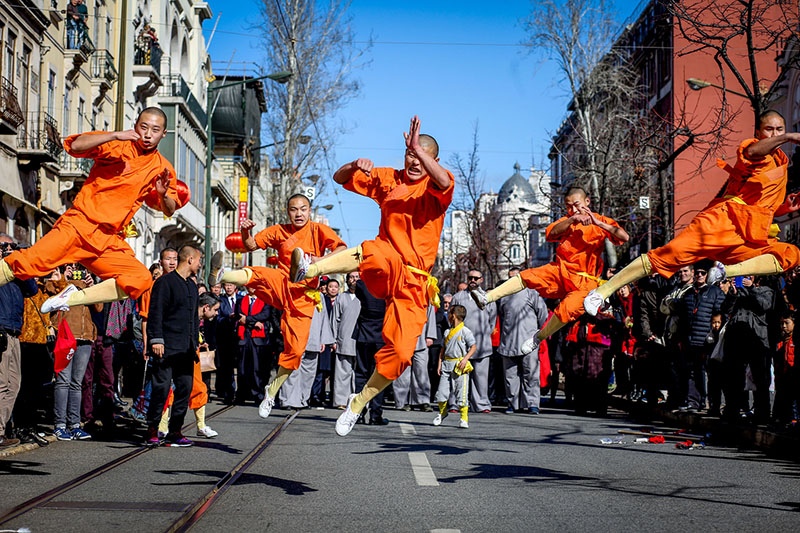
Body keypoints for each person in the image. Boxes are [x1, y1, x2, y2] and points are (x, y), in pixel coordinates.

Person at [291, 116, 454, 436]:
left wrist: (420, 151)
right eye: (409, 155)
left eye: (421, 156)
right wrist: (354, 165)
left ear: (432, 159)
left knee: (401, 355)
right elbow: (340, 178)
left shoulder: (437, 187)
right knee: (377, 250)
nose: (414, 162)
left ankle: (358, 402)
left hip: (415, 284)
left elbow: (444, 182)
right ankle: (311, 267)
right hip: (386, 266)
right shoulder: (390, 179)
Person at [584, 110, 800, 316]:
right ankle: (601, 292)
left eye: (779, 130)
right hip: (720, 223)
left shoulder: (781, 161)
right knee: (665, 257)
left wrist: (783, 208)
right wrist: (788, 136)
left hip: (746, 235)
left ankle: (724, 271)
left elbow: (756, 203)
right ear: (758, 133)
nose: (775, 134)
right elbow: (753, 152)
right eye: (769, 129)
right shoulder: (754, 149)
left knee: (790, 254)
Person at [0, 108, 180, 319]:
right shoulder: (119, 144)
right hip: (78, 225)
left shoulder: (162, 168)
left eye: (155, 130)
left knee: (140, 279)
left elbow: (169, 209)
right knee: (27, 262)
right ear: (135, 126)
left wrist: (162, 194)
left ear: (164, 133)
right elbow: (74, 146)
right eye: (144, 127)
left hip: (107, 239)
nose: (148, 134)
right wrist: (114, 134)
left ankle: (70, 298)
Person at [216, 194, 346, 417]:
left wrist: (320, 261)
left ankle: (271, 392)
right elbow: (250, 245)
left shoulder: (318, 230)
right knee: (259, 274)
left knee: (295, 352)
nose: (298, 213)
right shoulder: (279, 231)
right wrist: (245, 231)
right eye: (294, 209)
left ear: (309, 211)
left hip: (303, 298)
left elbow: (342, 248)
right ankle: (223, 275)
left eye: (303, 209)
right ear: (288, 212)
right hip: (282, 284)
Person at [472, 186, 628, 354]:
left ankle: (539, 337)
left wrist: (599, 223)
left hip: (585, 281)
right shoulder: (567, 220)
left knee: (566, 310)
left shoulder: (600, 221)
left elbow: (624, 237)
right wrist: (572, 219)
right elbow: (550, 233)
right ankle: (488, 298)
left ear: (587, 202)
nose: (573, 209)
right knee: (528, 276)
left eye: (576, 205)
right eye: (568, 206)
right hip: (560, 271)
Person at [144, 245, 202, 447]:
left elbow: (194, 318)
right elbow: (156, 312)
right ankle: (152, 429)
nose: (199, 264)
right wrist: (156, 339)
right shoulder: (165, 282)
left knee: (185, 388)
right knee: (161, 389)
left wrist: (195, 342)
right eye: (198, 260)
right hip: (166, 347)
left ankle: (175, 431)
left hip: (186, 349)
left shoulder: (192, 286)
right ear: (190, 260)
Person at [157, 292, 221, 439]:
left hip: (192, 353)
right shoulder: (185, 314)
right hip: (177, 353)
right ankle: (163, 426)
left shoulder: (197, 317)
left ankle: (201, 425)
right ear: (206, 307)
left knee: (198, 388)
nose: (217, 313)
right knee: (169, 390)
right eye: (215, 309)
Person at [49, 266, 102, 440]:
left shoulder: (87, 281)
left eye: (78, 267)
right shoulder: (59, 278)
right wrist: (63, 280)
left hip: (85, 336)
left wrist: (91, 287)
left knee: (77, 383)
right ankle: (60, 425)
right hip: (65, 334)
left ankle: (74, 424)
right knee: (63, 380)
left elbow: (99, 307)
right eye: (71, 266)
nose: (75, 270)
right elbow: (50, 295)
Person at [0, 235, 38, 448]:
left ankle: (1, 430)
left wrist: (19, 263)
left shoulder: (15, 270)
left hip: (15, 331)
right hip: (1, 330)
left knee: (14, 385)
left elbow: (33, 289)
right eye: (5, 246)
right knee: (1, 383)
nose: (9, 249)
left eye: (12, 246)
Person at [496, 267, 549, 414]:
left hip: (529, 340)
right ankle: (513, 404)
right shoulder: (504, 296)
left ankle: (532, 404)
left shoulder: (532, 293)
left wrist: (536, 333)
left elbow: (543, 315)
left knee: (530, 374)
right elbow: (502, 316)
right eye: (510, 278)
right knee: (510, 376)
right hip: (508, 341)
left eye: (515, 277)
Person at [452, 270, 497, 413]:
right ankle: (456, 404)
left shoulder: (488, 298)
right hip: (461, 343)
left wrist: (484, 334)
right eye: (470, 277)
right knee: (458, 376)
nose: (472, 280)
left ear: (481, 280)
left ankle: (481, 405)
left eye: (475, 278)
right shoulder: (458, 297)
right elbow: (451, 319)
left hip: (482, 343)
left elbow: (492, 321)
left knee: (481, 378)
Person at [433, 305, 476, 429]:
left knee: (462, 393)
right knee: (441, 393)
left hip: (459, 365)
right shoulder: (447, 332)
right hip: (446, 364)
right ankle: (442, 412)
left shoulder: (465, 331)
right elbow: (442, 350)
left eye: (450, 314)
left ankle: (464, 417)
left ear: (454, 315)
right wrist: (439, 364)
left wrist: (465, 359)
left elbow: (473, 347)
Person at [393, 304, 437, 411]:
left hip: (421, 339)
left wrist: (430, 336)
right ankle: (402, 401)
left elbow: (430, 314)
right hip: (403, 337)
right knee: (402, 373)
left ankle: (423, 401)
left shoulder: (426, 296)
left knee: (422, 372)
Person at [235, 286, 271, 405]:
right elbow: (239, 316)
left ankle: (258, 394)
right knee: (242, 369)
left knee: (257, 368)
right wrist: (254, 323)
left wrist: (248, 320)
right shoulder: (241, 300)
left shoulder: (265, 300)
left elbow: (265, 315)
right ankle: (241, 394)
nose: (253, 288)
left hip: (258, 338)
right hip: (244, 338)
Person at [331, 272, 361, 408]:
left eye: (357, 277)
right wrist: (333, 340)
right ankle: (341, 401)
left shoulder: (366, 297)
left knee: (359, 374)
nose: (354, 279)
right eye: (352, 277)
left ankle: (357, 402)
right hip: (343, 340)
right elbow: (334, 320)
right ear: (347, 280)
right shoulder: (341, 298)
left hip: (361, 341)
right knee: (342, 373)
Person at [216, 282, 239, 403]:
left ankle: (243, 392)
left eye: (231, 285)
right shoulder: (220, 300)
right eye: (226, 285)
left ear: (235, 286)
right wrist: (228, 318)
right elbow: (217, 318)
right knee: (227, 366)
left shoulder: (241, 299)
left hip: (241, 337)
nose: (229, 288)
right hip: (226, 337)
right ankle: (229, 392)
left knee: (242, 365)